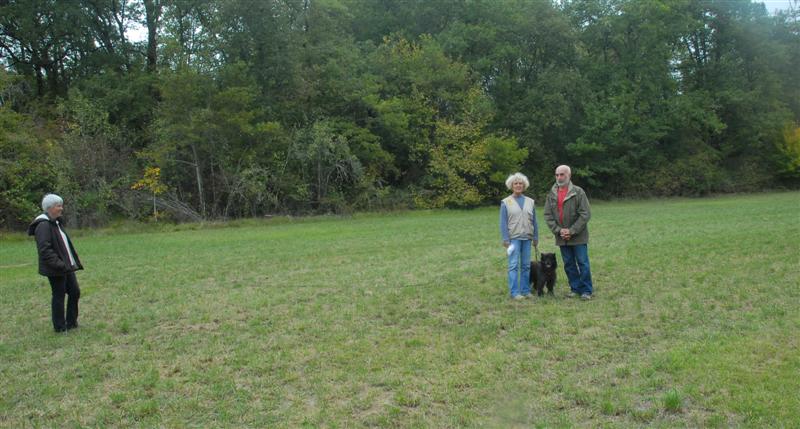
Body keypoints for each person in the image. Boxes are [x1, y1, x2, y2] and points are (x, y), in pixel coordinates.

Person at [27, 194, 83, 332]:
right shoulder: (43, 225)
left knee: (74, 292)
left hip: (66, 266)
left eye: (61, 205)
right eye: (58, 206)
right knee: (59, 295)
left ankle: (72, 323)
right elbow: (45, 250)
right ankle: (59, 327)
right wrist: (59, 264)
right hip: (56, 268)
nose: (61, 208)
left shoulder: (56, 223)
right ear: (50, 208)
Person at [543, 165, 593, 300]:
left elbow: (585, 214)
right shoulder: (551, 194)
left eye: (562, 174)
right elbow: (547, 215)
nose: (559, 177)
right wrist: (559, 231)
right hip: (562, 237)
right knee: (569, 264)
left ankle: (586, 290)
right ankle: (575, 288)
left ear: (569, 175)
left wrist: (572, 230)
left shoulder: (578, 192)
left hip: (578, 236)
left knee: (582, 263)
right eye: (557, 175)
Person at [500, 172, 539, 300]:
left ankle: (525, 290)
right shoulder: (506, 202)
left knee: (526, 266)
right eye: (515, 183)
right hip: (513, 239)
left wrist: (535, 237)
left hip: (527, 238)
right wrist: (505, 239)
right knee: (513, 266)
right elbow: (503, 222)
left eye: (520, 183)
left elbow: (534, 221)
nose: (518, 185)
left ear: (524, 185)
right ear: (511, 186)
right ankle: (514, 292)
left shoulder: (530, 202)